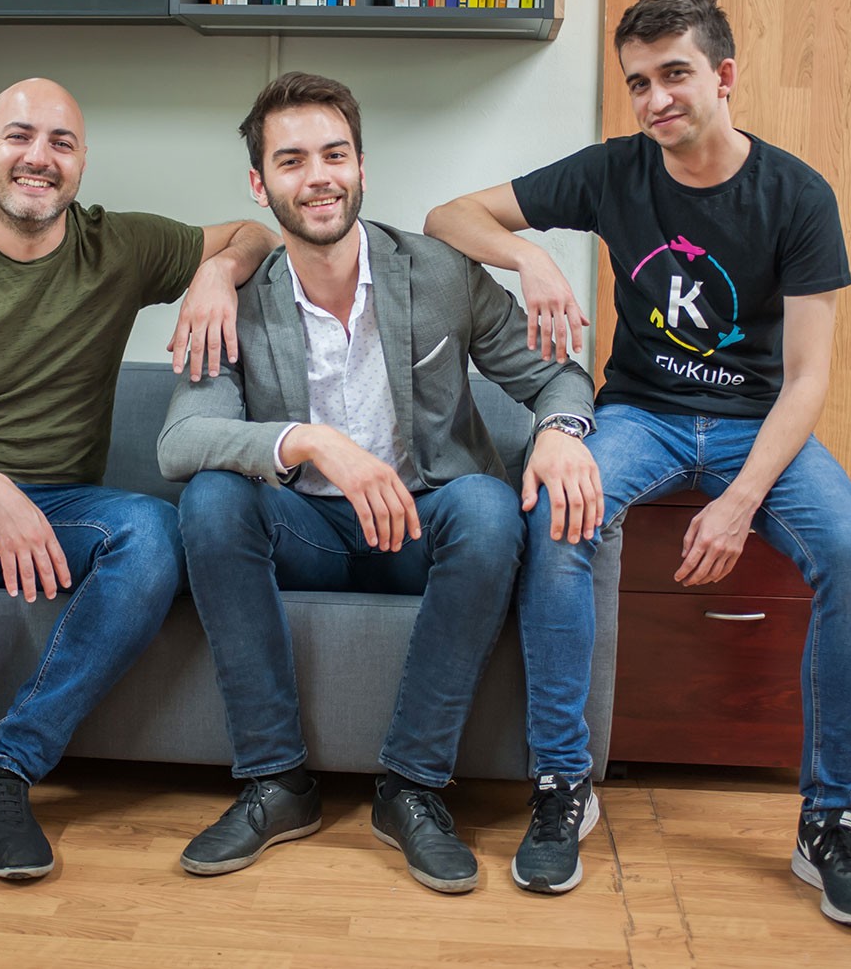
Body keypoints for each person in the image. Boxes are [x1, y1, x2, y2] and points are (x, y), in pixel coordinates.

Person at [424, 0, 851, 926]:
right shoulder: (614, 171)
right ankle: (563, 784)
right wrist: (532, 256)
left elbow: (808, 379)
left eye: (674, 74)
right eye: (638, 82)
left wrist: (740, 500)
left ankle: (829, 820)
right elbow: (448, 215)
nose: (655, 99)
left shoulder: (799, 195)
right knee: (558, 519)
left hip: (758, 423)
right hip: (639, 412)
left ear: (724, 76)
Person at [0, 77, 278, 881]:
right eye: (20, 136)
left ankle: (6, 768)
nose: (39, 156)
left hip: (63, 512)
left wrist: (215, 275)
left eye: (61, 142)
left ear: (82, 162)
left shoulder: (119, 247)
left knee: (155, 533)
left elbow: (255, 232)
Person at [157, 72, 602, 895]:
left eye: (335, 155)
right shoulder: (235, 300)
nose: (318, 176)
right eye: (291, 160)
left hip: (422, 528)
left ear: (363, 166)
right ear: (260, 183)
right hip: (306, 530)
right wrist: (312, 441)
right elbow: (181, 440)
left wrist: (560, 432)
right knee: (213, 499)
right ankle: (276, 782)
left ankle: (413, 788)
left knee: (488, 507)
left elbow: (558, 378)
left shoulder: (438, 273)